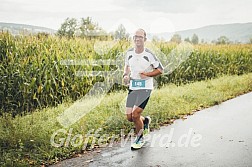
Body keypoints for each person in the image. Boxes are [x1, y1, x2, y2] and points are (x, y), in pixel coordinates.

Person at [123, 28, 164, 149]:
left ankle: (140, 138)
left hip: (145, 87)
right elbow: (127, 66)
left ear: (145, 39)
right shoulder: (129, 53)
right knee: (130, 117)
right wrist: (125, 75)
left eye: (140, 37)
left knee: (135, 115)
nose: (138, 39)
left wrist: (147, 74)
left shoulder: (149, 54)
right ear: (133, 38)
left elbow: (160, 70)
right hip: (133, 86)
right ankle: (145, 121)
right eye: (136, 36)